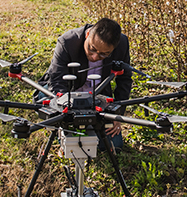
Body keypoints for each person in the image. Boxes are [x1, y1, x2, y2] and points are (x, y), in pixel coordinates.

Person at [35, 18, 132, 152]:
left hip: (98, 96)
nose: (94, 57)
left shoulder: (122, 43)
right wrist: (65, 110)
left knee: (112, 145)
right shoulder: (67, 42)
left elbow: (125, 79)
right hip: (67, 92)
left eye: (104, 54)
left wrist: (117, 113)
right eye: (92, 49)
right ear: (87, 35)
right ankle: (61, 128)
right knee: (71, 137)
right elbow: (56, 79)